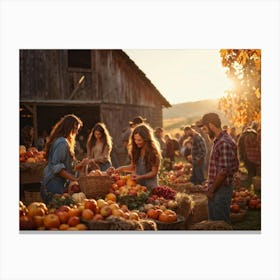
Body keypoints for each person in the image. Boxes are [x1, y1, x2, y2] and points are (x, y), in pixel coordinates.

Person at [199, 113, 239, 224]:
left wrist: (211, 190)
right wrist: (209, 182)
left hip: (220, 190)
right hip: (217, 188)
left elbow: (223, 172)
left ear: (211, 125)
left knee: (221, 223)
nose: (204, 131)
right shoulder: (219, 141)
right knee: (214, 223)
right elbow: (219, 168)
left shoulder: (223, 143)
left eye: (205, 128)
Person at [40, 114, 85, 203]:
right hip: (53, 185)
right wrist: (75, 179)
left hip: (55, 184)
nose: (76, 132)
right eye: (75, 129)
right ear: (68, 127)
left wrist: (79, 165)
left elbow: (64, 165)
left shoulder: (62, 141)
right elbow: (57, 168)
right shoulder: (62, 143)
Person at [115, 123, 161, 190]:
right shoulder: (135, 151)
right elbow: (132, 167)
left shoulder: (153, 152)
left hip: (151, 186)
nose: (136, 142)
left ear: (146, 139)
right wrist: (120, 169)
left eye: (139, 140)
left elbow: (154, 172)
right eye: (135, 139)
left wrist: (141, 176)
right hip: (138, 187)